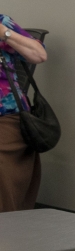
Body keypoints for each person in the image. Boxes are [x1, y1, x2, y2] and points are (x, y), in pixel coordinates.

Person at [0, 14, 48, 212]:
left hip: (6, 117)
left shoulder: (2, 22)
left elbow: (39, 55)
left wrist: (5, 34)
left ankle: (8, 233)